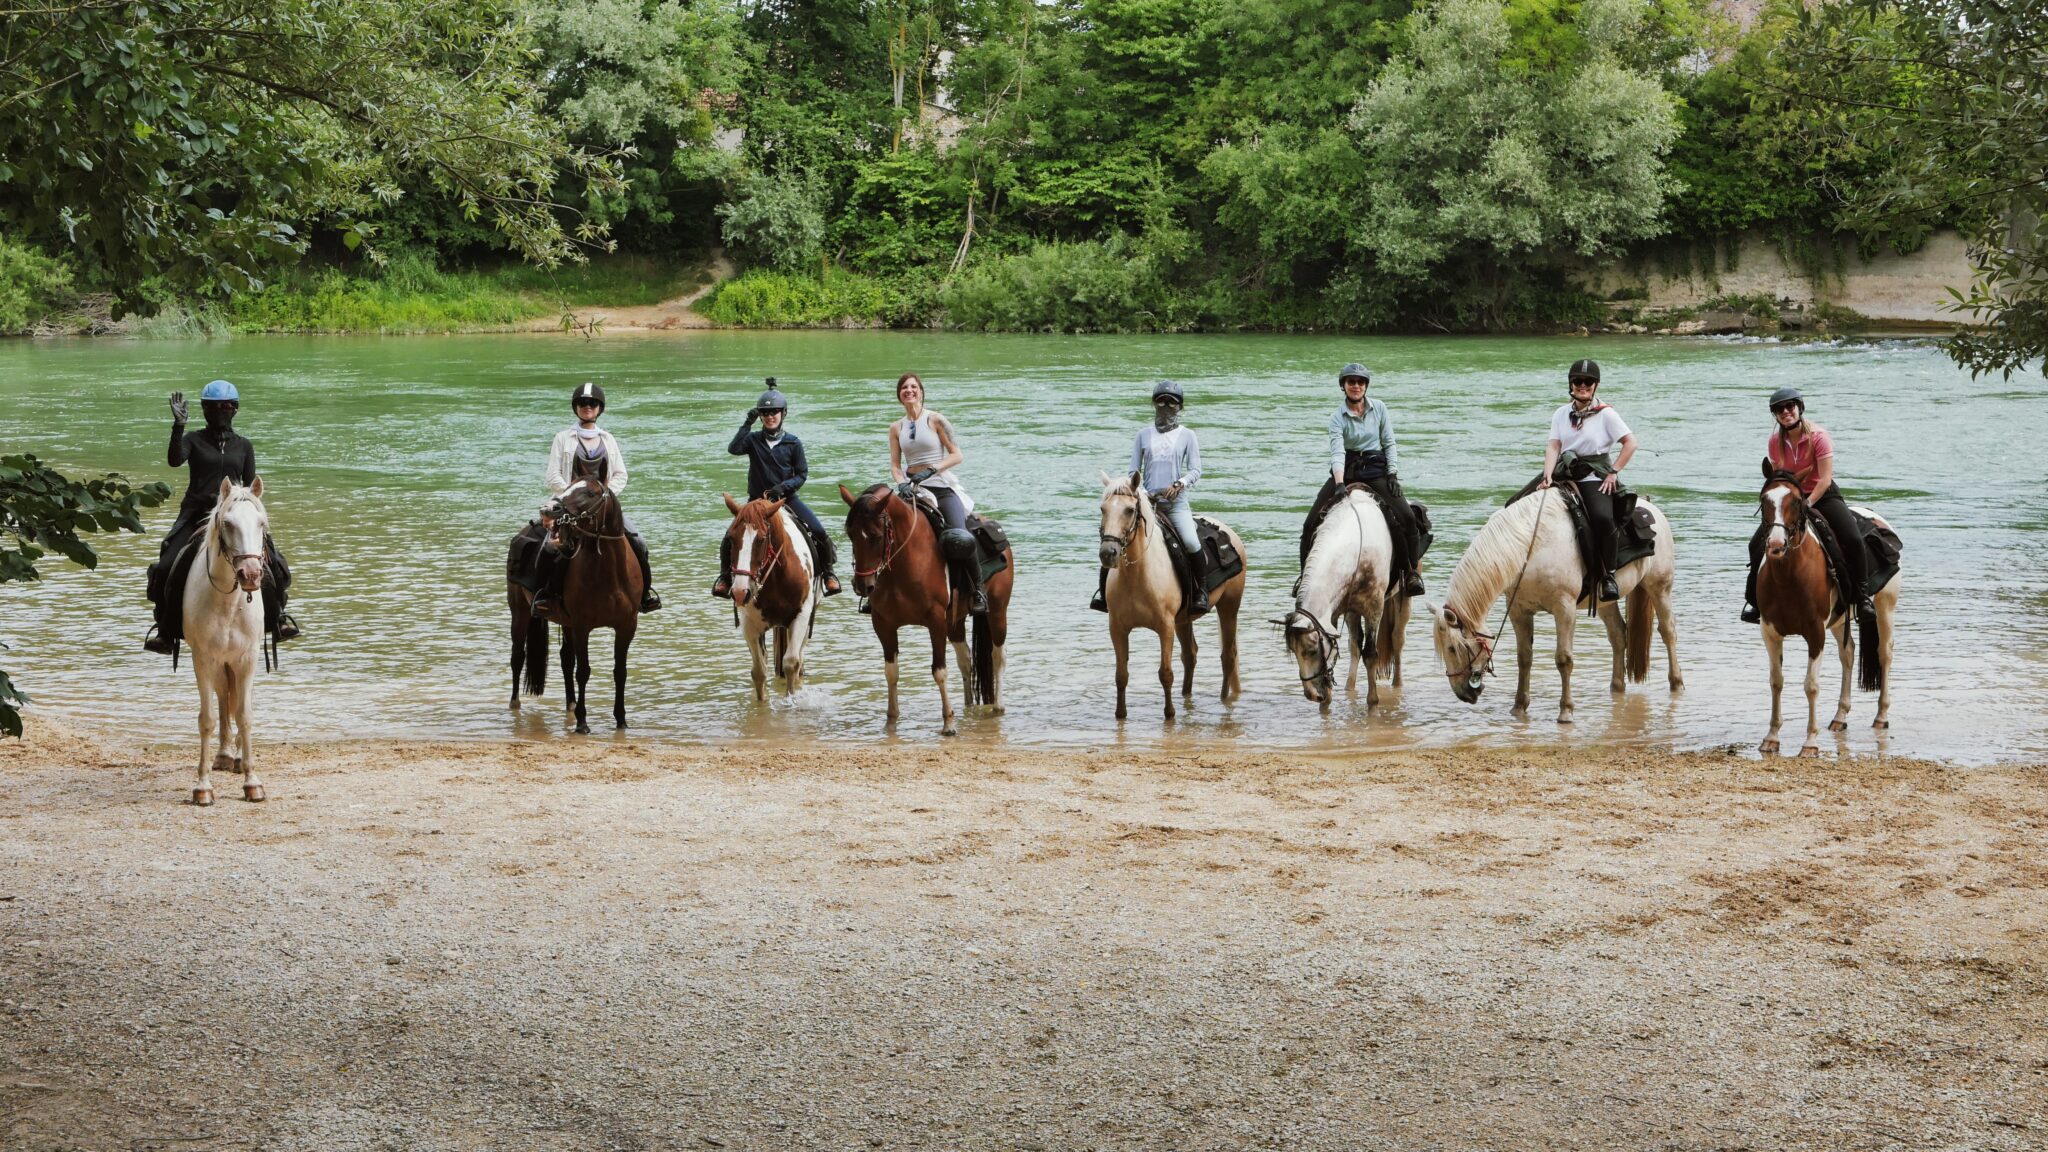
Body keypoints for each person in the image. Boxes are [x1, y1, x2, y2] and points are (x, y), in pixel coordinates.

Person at [143, 380, 298, 654]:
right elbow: (174, 460)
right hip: (197, 515)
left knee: (275, 562)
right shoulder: (193, 440)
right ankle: (166, 632)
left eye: (226, 406)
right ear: (204, 410)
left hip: (236, 518)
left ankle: (279, 618)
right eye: (213, 407)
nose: (220, 411)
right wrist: (178, 427)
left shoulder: (244, 446)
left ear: (235, 410)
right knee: (167, 564)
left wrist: (253, 518)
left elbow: (251, 488)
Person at [1742, 386, 1871, 623]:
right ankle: (1754, 601)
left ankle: (1862, 597)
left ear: (1799, 408)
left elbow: (1825, 479)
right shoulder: (1774, 442)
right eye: (1779, 409)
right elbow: (1780, 478)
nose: (1785, 412)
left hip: (1823, 495)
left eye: (1789, 406)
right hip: (1792, 498)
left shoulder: (1819, 437)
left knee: (1852, 538)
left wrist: (1808, 503)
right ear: (1775, 415)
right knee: (1755, 544)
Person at [1299, 363, 1427, 597]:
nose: (1356, 386)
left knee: (1407, 518)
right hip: (1347, 470)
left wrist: (1393, 474)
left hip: (1376, 471)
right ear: (1343, 386)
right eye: (1351, 382)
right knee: (1309, 524)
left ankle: (1411, 573)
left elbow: (1389, 442)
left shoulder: (1379, 408)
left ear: (1366, 386)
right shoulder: (1337, 417)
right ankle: (1304, 581)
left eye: (1360, 382)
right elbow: (1337, 452)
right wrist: (1339, 484)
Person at [533, 382, 661, 615]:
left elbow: (621, 474)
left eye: (592, 403)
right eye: (582, 403)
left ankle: (644, 595)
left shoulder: (609, 439)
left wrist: (603, 498)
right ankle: (545, 596)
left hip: (602, 507)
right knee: (548, 548)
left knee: (639, 541)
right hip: (569, 508)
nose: (587, 407)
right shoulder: (562, 438)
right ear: (576, 407)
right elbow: (552, 475)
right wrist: (573, 496)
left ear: (599, 408)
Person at [714, 378, 842, 598]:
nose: (770, 416)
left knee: (819, 531)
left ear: (783, 413)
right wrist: (747, 423)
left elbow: (802, 474)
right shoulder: (752, 440)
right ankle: (725, 577)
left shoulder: (793, 443)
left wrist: (783, 488)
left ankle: (829, 574)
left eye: (774, 412)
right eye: (765, 413)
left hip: (787, 499)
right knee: (729, 537)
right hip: (756, 502)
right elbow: (733, 448)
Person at [1093, 380, 1212, 616]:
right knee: (1116, 538)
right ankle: (1103, 593)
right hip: (1146, 503)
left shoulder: (1188, 435)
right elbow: (1132, 472)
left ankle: (1201, 591)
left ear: (1179, 408)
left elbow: (1196, 470)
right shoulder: (1143, 435)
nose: (1166, 407)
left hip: (1176, 503)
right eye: (1161, 401)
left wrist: (1180, 483)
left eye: (1172, 403)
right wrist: (1144, 494)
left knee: (1190, 541)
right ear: (1154, 405)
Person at [1538, 358, 1637, 603]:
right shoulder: (1561, 413)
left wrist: (1614, 471)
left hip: (1593, 476)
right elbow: (1554, 446)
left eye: (1588, 381)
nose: (1583, 385)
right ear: (1571, 384)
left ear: (1596, 385)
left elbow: (1630, 443)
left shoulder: (1607, 415)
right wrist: (1547, 474)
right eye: (1578, 381)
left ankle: (1608, 575)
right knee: (1520, 502)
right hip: (1565, 473)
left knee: (1603, 518)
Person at [889, 372, 987, 615]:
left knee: (961, 536)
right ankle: (880, 591)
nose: (909, 390)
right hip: (911, 488)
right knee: (884, 530)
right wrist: (901, 481)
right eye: (904, 388)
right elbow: (894, 464)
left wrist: (931, 469)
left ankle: (978, 590)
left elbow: (957, 454)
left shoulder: (936, 420)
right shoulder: (895, 427)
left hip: (940, 486)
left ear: (921, 392)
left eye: (913, 387)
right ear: (899, 395)